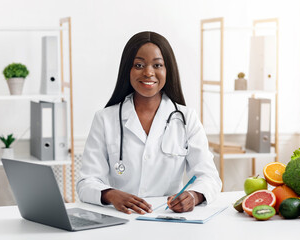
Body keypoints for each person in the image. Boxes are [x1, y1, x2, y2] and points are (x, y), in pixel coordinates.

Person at [77, 31, 222, 214]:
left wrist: (194, 196)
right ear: (127, 70)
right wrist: (111, 195)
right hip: (121, 220)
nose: (148, 72)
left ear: (167, 70)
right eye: (139, 65)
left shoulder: (187, 119)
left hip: (168, 219)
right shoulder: (104, 119)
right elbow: (86, 182)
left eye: (157, 65)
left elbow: (209, 177)